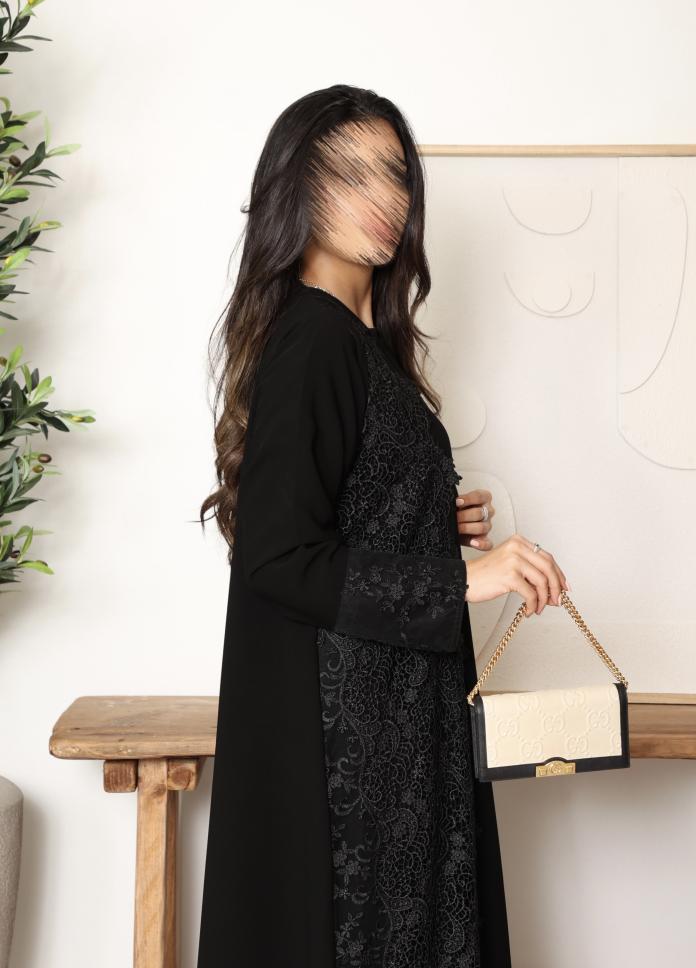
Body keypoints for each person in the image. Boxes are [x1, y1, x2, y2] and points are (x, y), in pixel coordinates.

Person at [197, 83, 568, 968]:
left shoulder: (362, 343)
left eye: (395, 174)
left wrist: (427, 516)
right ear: (297, 189)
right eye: (350, 174)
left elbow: (335, 508)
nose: (384, 198)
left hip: (398, 724)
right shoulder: (314, 341)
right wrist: (463, 576)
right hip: (355, 754)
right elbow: (277, 557)